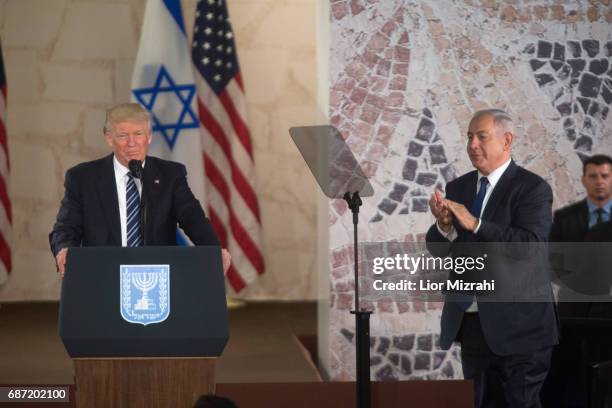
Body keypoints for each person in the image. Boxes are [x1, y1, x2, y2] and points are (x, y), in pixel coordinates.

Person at [426, 109, 558, 407]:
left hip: (522, 329)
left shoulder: (532, 188)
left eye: (481, 136)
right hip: (473, 323)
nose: (472, 144)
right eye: (469, 137)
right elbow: (440, 251)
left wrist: (476, 224)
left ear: (507, 140)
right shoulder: (457, 188)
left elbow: (531, 246)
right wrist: (444, 227)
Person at [49, 103, 230, 276]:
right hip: (103, 275)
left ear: (149, 136)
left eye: (138, 134)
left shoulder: (170, 175)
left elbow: (194, 219)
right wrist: (63, 249)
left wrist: (213, 251)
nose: (132, 143)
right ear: (109, 138)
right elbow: (65, 227)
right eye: (122, 136)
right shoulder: (83, 178)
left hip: (157, 276)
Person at [549, 154, 612, 242]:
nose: (599, 181)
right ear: (583, 180)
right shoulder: (564, 218)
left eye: (605, 176)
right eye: (593, 176)